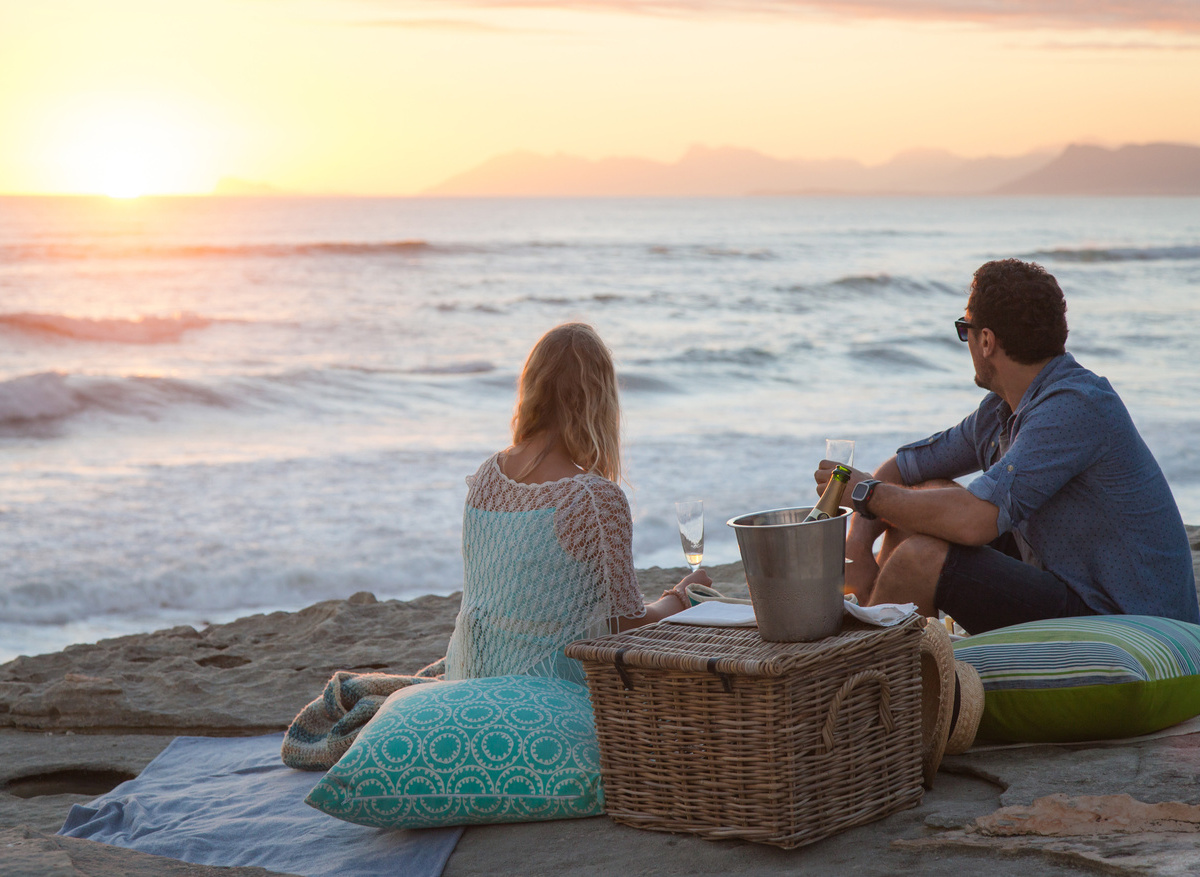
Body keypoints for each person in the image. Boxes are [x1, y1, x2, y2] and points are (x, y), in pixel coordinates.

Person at [816, 259, 1198, 634]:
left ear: (986, 341)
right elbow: (905, 470)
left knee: (919, 558)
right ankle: (889, 656)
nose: (965, 341)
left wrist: (865, 493)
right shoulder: (1002, 410)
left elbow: (976, 521)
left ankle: (875, 677)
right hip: (1070, 586)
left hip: (1127, 622)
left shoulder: (1075, 407)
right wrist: (860, 551)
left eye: (965, 330)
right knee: (926, 496)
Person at [445, 322, 710, 684]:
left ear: (532, 387)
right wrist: (683, 596)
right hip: (547, 692)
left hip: (470, 674)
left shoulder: (487, 476)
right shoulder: (592, 498)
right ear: (599, 402)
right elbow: (625, 625)